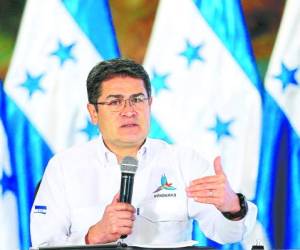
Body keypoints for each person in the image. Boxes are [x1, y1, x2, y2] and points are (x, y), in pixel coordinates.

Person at [30, 58, 257, 247]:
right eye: (115, 102)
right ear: (94, 112)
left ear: (150, 103)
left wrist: (233, 207)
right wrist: (94, 236)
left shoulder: (184, 162)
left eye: (137, 99)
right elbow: (43, 244)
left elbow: (229, 235)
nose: (129, 111)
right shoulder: (63, 167)